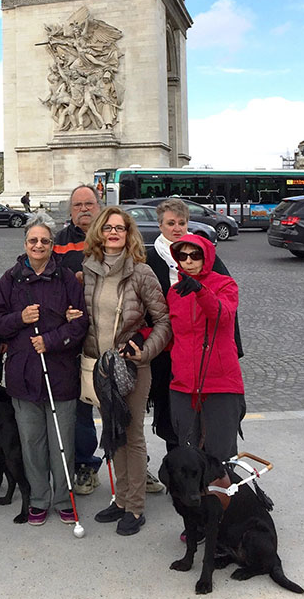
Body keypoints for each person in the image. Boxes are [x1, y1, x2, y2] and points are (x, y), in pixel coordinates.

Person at [0, 214, 88, 526]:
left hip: (59, 370)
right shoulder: (9, 279)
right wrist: (20, 318)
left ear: (52, 245)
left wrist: (52, 340)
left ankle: (64, 497)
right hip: (23, 374)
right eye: (33, 240)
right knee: (32, 442)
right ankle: (39, 497)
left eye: (45, 241)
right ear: (25, 244)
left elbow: (81, 322)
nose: (39, 245)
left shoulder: (67, 279)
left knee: (62, 441)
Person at [82, 206, 171, 536]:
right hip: (101, 367)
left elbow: (163, 321)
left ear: (129, 233)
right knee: (113, 434)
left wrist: (145, 351)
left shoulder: (142, 273)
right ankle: (120, 499)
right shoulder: (89, 269)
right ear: (100, 233)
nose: (114, 233)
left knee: (131, 434)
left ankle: (135, 506)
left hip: (132, 367)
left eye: (120, 228)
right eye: (108, 228)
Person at [167, 234, 245, 464]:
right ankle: (193, 499)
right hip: (183, 383)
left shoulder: (225, 284)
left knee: (220, 454)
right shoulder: (175, 292)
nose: (189, 261)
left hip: (219, 383)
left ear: (206, 257)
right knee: (189, 452)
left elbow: (223, 315)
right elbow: (172, 333)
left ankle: (222, 498)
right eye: (183, 256)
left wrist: (201, 291)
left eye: (195, 255)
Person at [53, 184, 104, 496]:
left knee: (121, 407)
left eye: (89, 203)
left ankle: (133, 463)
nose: (84, 209)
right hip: (76, 337)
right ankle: (85, 462)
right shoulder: (58, 242)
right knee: (83, 406)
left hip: (112, 333)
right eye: (78, 205)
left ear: (98, 205)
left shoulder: (115, 232)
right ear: (70, 211)